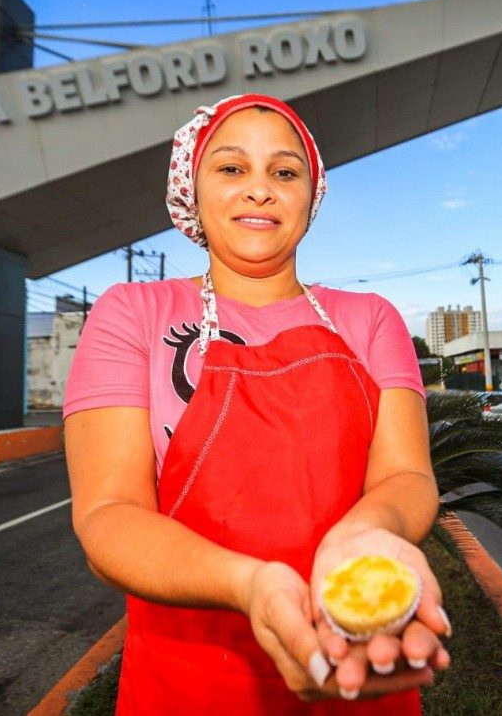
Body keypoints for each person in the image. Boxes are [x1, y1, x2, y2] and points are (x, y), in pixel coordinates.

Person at [63, 94, 450, 715]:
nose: (260, 190)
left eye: (285, 171)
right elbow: (108, 515)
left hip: (358, 659)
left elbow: (407, 476)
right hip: (185, 681)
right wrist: (249, 585)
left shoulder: (371, 319)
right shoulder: (132, 314)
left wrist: (364, 536)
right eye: (232, 168)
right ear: (192, 188)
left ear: (311, 195)